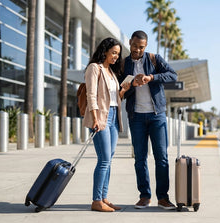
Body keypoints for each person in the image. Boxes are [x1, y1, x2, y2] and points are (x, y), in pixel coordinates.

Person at [120, 30, 177, 210]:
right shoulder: (123, 64)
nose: (138, 50)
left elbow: (173, 75)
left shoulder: (154, 58)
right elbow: (120, 92)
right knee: (140, 159)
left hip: (156, 115)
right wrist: (132, 85)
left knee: (162, 158)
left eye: (141, 47)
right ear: (130, 42)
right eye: (135, 46)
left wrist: (152, 77)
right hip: (136, 116)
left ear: (146, 46)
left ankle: (163, 197)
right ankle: (144, 196)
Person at [82, 37, 130, 212]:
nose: (116, 57)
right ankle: (96, 201)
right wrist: (95, 119)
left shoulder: (111, 73)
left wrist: (123, 90)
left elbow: (113, 99)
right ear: (105, 52)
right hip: (100, 117)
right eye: (114, 53)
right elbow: (91, 95)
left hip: (113, 118)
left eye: (118, 54)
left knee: (108, 160)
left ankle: (103, 197)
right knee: (103, 160)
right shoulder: (95, 68)